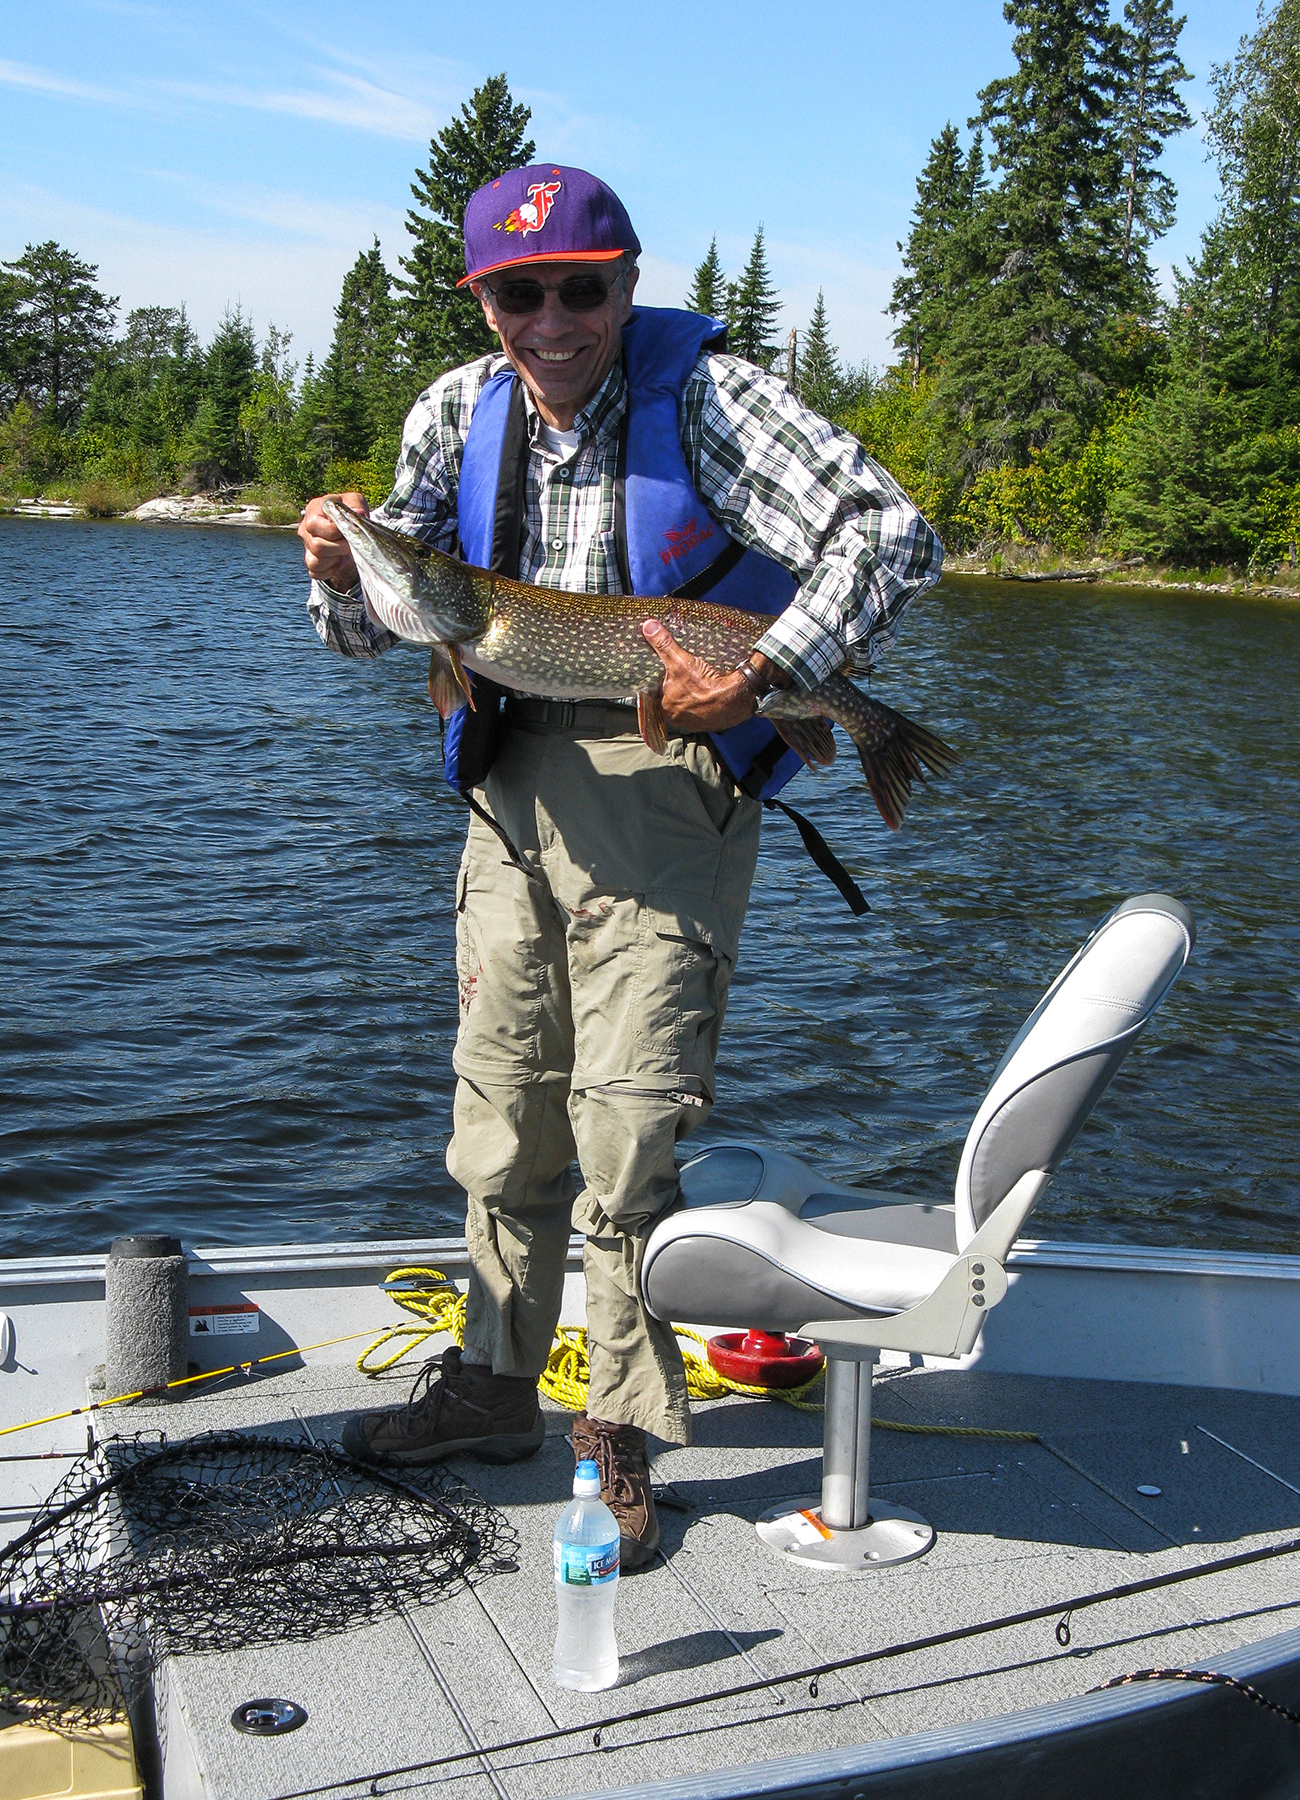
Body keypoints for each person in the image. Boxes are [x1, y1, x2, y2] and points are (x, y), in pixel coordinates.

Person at [298, 163, 943, 1570]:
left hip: (665, 783)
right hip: (508, 786)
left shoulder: (708, 397)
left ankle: (622, 1427)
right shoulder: (450, 416)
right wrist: (346, 576)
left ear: (624, 284)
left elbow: (893, 531)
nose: (550, 318)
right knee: (503, 1115)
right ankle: (488, 1385)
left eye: (578, 288)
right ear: (483, 300)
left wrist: (770, 669)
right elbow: (383, 633)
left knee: (624, 1126)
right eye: (516, 293)